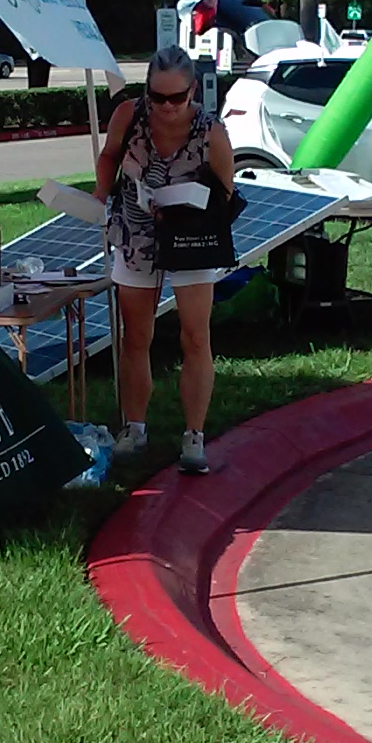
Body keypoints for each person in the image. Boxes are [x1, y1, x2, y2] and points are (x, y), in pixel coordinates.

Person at [93, 46, 236, 475]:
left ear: (193, 91)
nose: (168, 107)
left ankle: (194, 435)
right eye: (158, 97)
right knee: (136, 336)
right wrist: (101, 192)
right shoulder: (129, 115)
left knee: (195, 336)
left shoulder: (211, 132)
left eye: (177, 98)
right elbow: (110, 155)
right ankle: (134, 426)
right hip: (136, 233)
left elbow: (226, 194)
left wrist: (186, 208)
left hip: (191, 239)